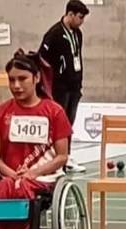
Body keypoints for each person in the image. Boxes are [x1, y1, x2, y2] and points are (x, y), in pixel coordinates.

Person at [0, 51, 72, 229]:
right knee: (4, 187)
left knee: (21, 187)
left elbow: (62, 156)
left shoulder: (54, 112)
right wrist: (12, 173)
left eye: (22, 79)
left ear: (36, 78)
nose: (16, 85)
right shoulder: (1, 112)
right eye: (12, 80)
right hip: (11, 175)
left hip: (45, 178)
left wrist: (34, 172)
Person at [39, 0, 89, 171]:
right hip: (59, 87)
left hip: (74, 86)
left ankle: (66, 156)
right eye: (80, 17)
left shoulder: (78, 34)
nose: (82, 21)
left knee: (69, 123)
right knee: (59, 124)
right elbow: (42, 58)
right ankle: (55, 158)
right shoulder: (54, 34)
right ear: (70, 14)